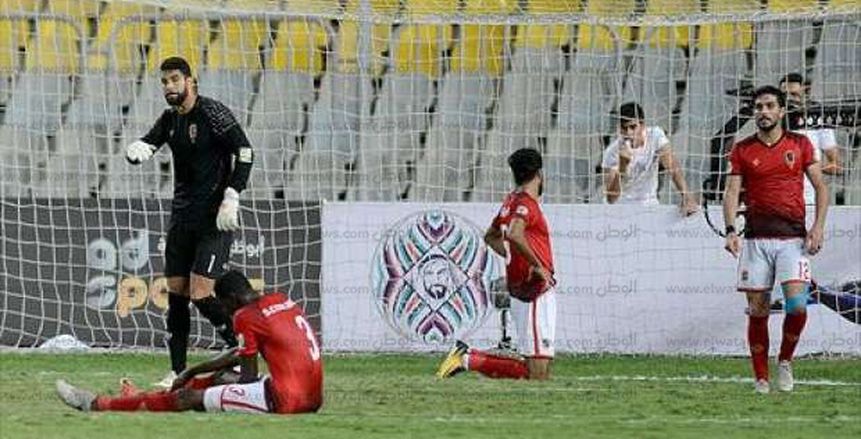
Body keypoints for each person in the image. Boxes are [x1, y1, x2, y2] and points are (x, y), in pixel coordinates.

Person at [125, 57, 254, 387]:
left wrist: (233, 195)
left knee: (200, 292)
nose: (169, 86)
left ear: (190, 81)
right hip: (181, 219)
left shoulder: (213, 113)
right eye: (164, 81)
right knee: (178, 294)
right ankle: (176, 371)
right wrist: (139, 148)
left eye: (174, 80)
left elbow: (245, 151)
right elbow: (150, 142)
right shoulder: (169, 120)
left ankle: (242, 350)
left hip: (215, 219)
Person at [56, 271, 323, 414]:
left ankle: (96, 404)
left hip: (287, 402)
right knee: (218, 378)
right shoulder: (279, 299)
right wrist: (194, 371)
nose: (225, 312)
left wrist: (208, 394)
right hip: (312, 396)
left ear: (230, 299)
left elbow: (249, 377)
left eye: (222, 305)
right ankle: (142, 398)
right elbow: (241, 356)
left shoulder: (244, 316)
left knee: (187, 398)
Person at [723, 85, 829, 394]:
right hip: (755, 240)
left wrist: (818, 227)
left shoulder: (800, 144)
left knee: (797, 307)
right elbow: (731, 192)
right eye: (758, 107)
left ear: (781, 111)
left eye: (770, 106)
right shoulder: (742, 149)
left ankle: (784, 361)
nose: (764, 112)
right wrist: (731, 229)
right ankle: (761, 379)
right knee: (758, 310)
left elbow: (821, 187)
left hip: (793, 239)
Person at [437, 148, 556, 380]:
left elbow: (492, 236)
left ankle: (467, 358)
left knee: (540, 370)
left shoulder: (510, 202)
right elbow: (514, 234)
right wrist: (536, 264)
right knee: (537, 373)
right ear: (539, 174)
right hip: (534, 290)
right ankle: (466, 358)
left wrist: (516, 256)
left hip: (525, 287)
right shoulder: (526, 205)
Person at [602, 102, 698, 215]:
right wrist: (622, 167)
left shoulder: (655, 135)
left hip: (649, 205)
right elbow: (611, 199)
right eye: (624, 128)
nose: (629, 133)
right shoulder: (612, 152)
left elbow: (672, 166)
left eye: (633, 127)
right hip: (620, 209)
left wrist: (686, 195)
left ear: (642, 125)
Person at [779, 73, 843, 205]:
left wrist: (809, 167)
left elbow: (836, 166)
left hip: (809, 198)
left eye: (794, 95)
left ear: (806, 91)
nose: (789, 100)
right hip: (778, 198)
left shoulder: (818, 116)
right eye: (785, 96)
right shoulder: (773, 119)